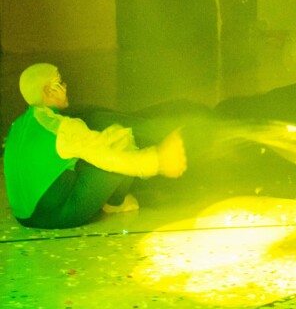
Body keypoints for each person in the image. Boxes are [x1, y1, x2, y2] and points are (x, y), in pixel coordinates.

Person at [3, 64, 188, 229]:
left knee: (97, 148)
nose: (65, 87)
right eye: (60, 82)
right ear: (49, 91)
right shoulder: (60, 127)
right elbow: (107, 156)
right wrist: (158, 160)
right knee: (121, 142)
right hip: (55, 217)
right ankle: (116, 204)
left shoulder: (18, 125)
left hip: (23, 216)